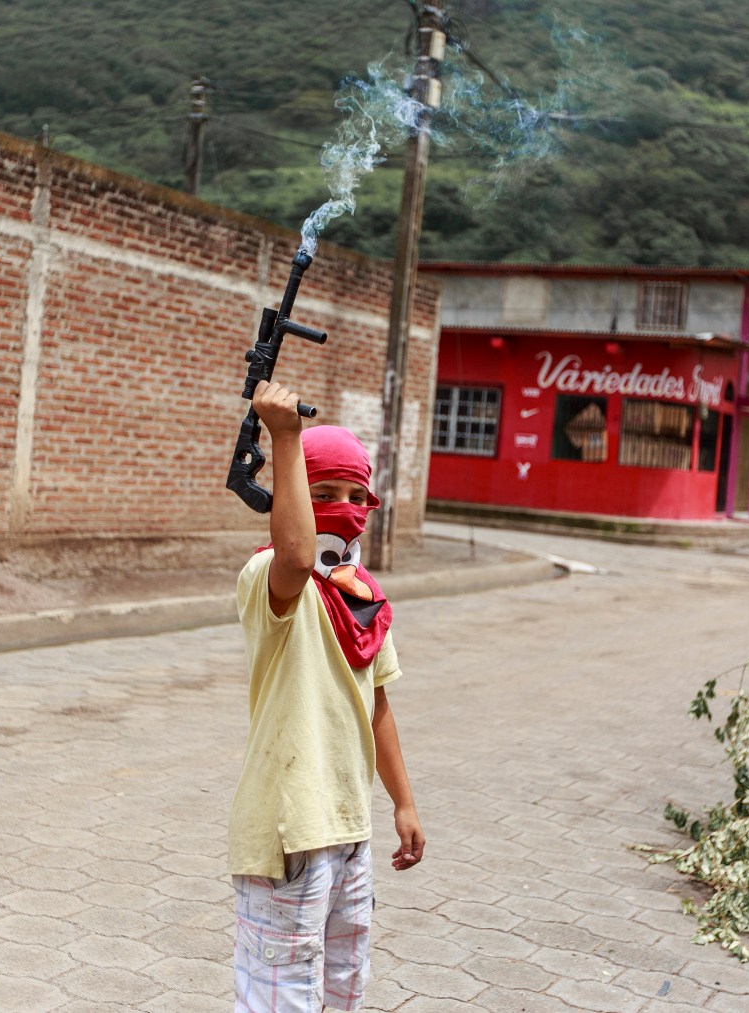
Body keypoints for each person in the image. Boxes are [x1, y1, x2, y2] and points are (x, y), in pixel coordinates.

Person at [228, 380, 425, 1013]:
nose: (342, 506)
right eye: (321, 494)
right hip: (291, 828)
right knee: (281, 993)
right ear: (291, 497)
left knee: (341, 984)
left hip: (346, 827)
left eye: (352, 495)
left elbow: (379, 708)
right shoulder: (272, 578)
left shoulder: (361, 593)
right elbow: (295, 552)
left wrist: (403, 803)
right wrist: (285, 439)